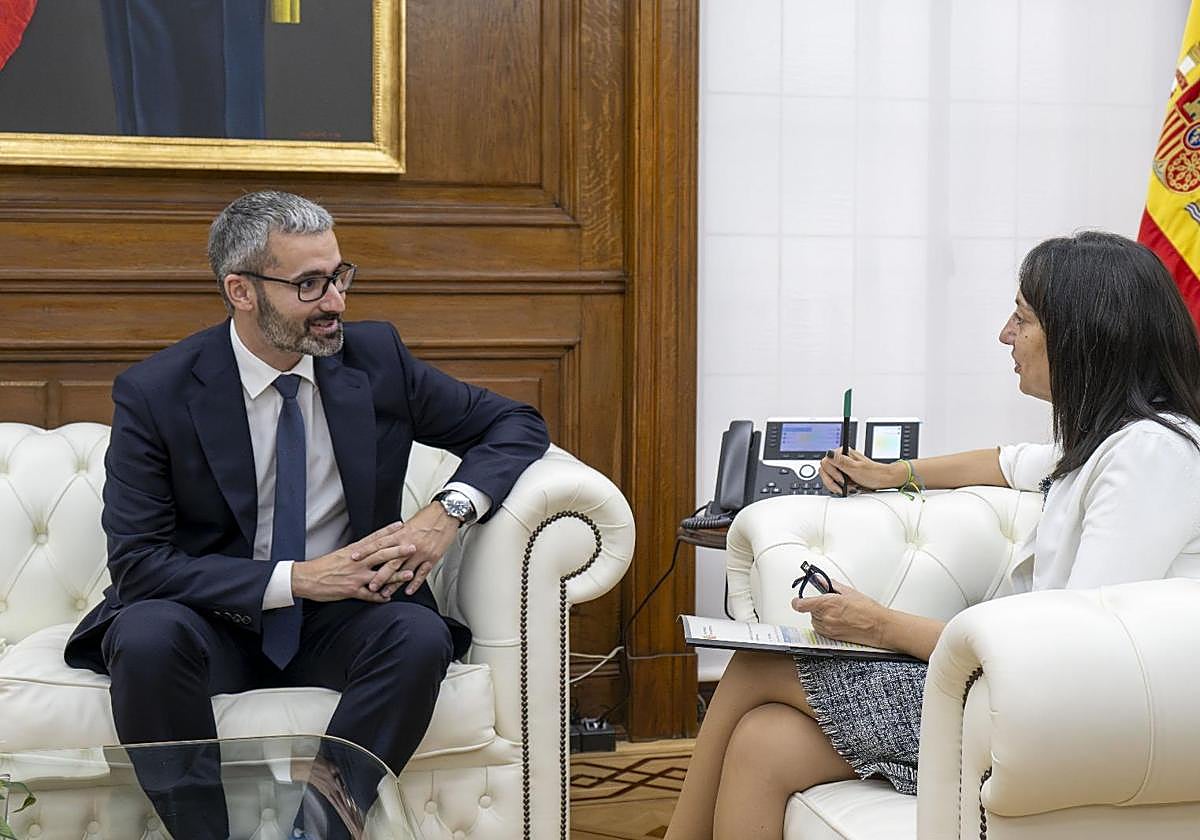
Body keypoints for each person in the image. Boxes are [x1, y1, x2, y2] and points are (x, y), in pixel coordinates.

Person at [665, 231, 1200, 840]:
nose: (1005, 334)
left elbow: (1073, 653)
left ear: (1084, 338)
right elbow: (1004, 462)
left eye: (1022, 318)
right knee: (765, 744)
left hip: (1051, 717)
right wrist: (893, 474)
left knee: (759, 668)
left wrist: (880, 625)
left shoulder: (1152, 455)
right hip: (1004, 691)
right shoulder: (1103, 444)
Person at [63, 190, 550, 839]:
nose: (335, 303)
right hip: (212, 621)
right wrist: (298, 579)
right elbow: (140, 566)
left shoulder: (373, 361)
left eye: (340, 276)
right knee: (146, 636)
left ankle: (319, 829)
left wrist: (448, 510)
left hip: (339, 622)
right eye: (310, 285)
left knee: (418, 636)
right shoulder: (159, 392)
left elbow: (515, 423)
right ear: (241, 290)